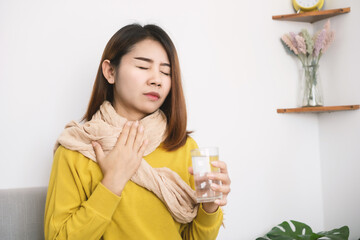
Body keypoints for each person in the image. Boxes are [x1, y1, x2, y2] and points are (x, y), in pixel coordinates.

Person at [44, 23, 231, 240]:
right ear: (110, 71)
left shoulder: (182, 146)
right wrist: (113, 181)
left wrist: (209, 207)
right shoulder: (77, 149)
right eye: (143, 67)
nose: (156, 79)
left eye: (166, 71)